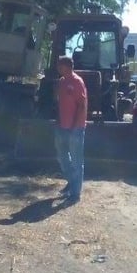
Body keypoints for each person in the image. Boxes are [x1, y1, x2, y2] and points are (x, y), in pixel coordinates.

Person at [54, 55, 88, 204]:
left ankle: (75, 194)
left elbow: (82, 105)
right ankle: (71, 182)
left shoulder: (77, 82)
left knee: (76, 160)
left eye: (59, 65)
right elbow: (60, 104)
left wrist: (74, 125)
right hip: (62, 126)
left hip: (76, 128)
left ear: (66, 66)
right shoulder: (61, 82)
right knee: (62, 157)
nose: (57, 68)